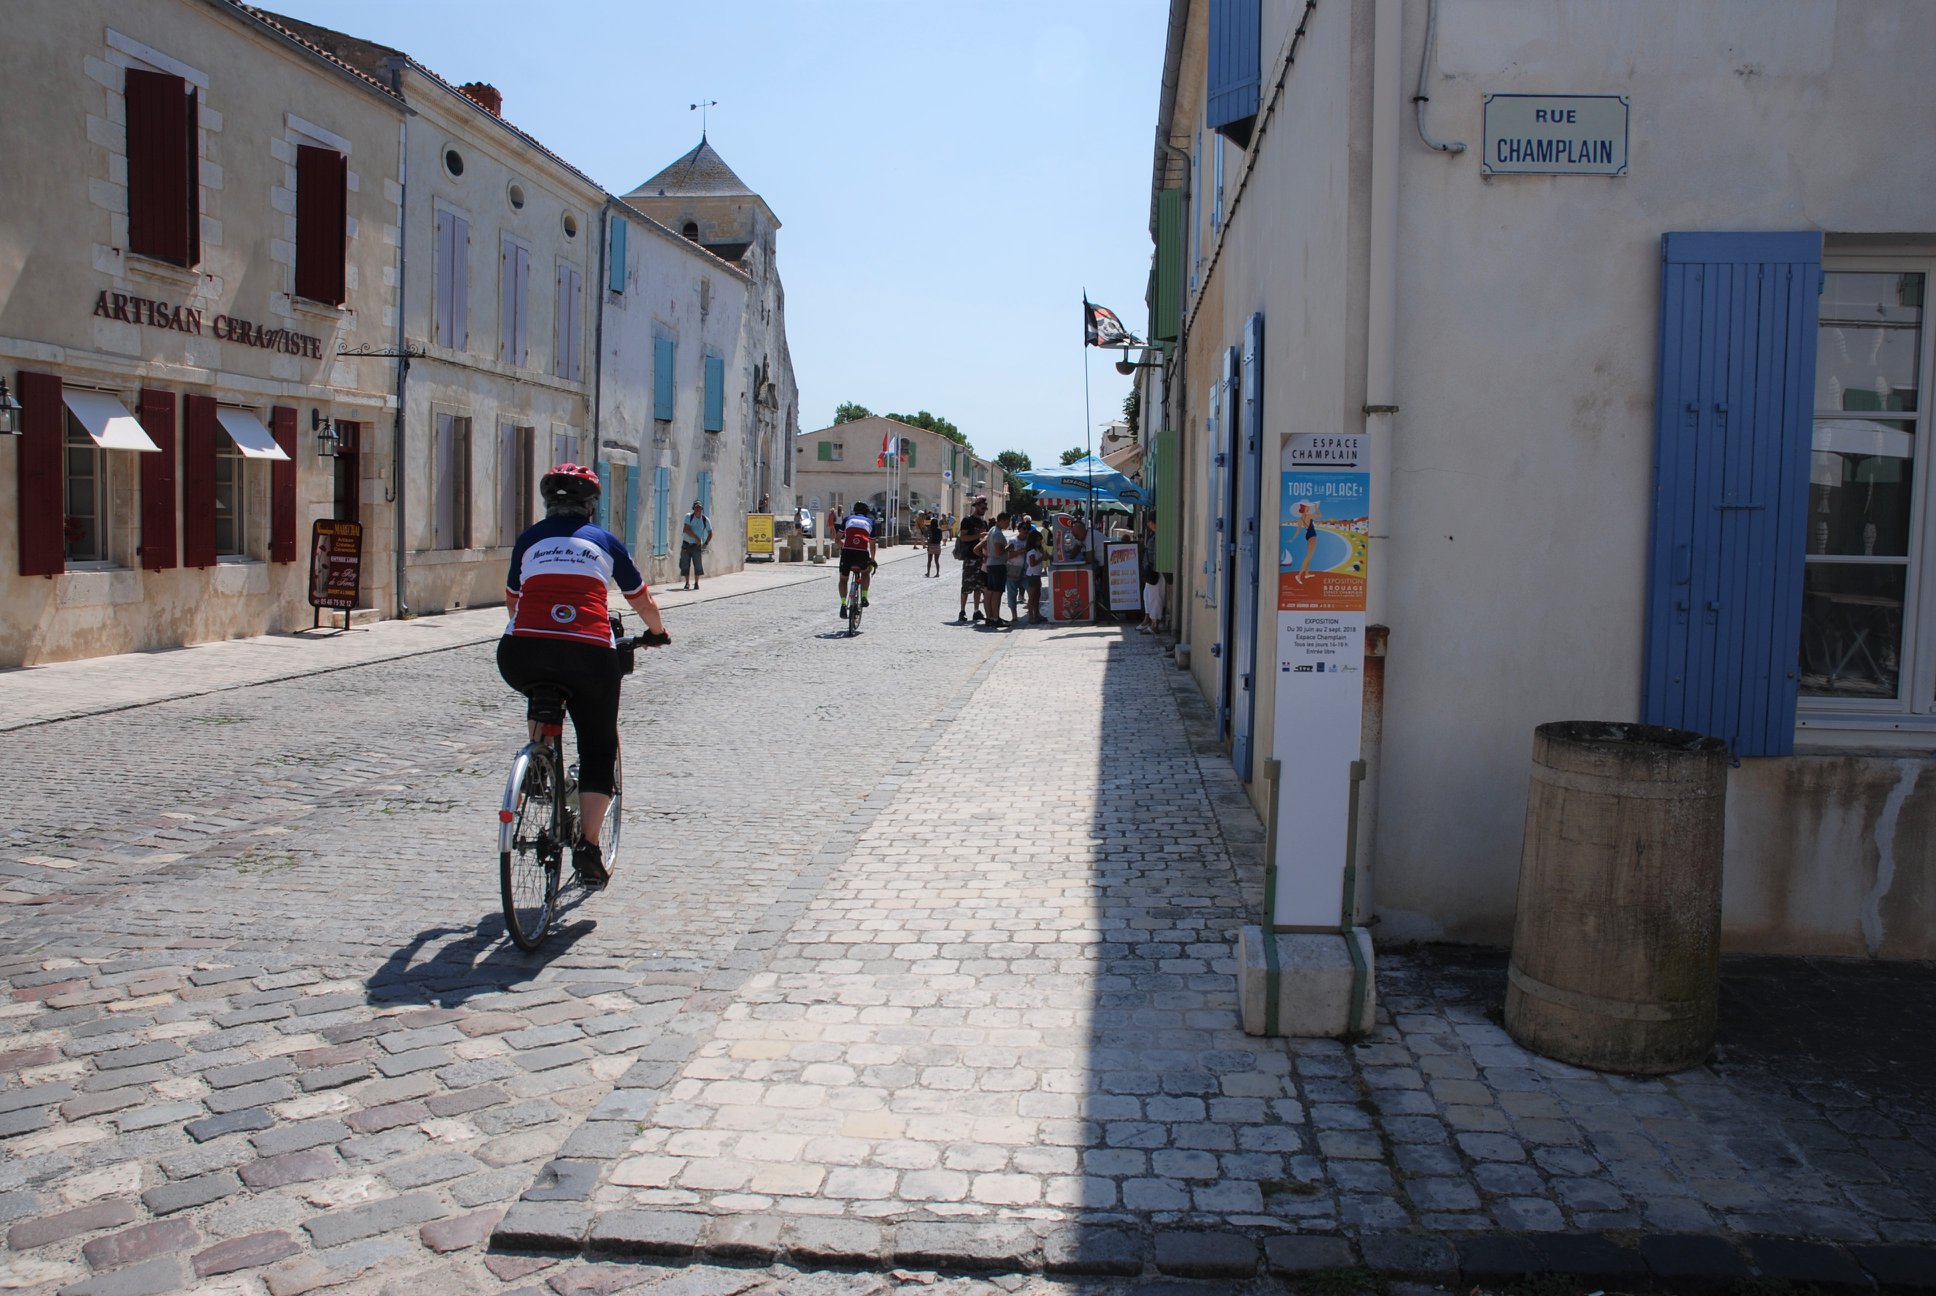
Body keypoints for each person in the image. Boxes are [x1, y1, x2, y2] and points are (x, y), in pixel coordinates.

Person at [498, 464, 668, 889]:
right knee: (597, 745)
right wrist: (657, 632)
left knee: (540, 686)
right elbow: (641, 599)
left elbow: (513, 599)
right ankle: (589, 848)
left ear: (547, 505)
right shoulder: (605, 542)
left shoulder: (529, 539)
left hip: (521, 651)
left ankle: (539, 758)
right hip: (588, 653)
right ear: (591, 506)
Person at [837, 500, 878, 617]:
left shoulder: (847, 519)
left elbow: (837, 539)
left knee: (843, 579)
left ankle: (843, 604)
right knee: (865, 572)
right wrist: (872, 559)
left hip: (847, 553)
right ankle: (864, 597)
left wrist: (843, 547)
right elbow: (872, 545)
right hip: (861, 553)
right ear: (866, 512)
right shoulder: (870, 522)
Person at [956, 496, 989, 623]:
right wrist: (978, 536)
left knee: (979, 586)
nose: (984, 510)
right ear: (976, 506)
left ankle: (976, 611)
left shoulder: (984, 523)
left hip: (981, 558)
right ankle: (962, 611)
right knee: (966, 585)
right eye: (983, 507)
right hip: (970, 557)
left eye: (985, 508)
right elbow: (963, 537)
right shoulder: (967, 521)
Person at [979, 511, 1012, 628]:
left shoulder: (992, 530)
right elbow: (999, 552)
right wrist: (1009, 547)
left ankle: (991, 617)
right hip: (998, 565)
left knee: (991, 592)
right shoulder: (997, 534)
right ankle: (996, 618)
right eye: (1007, 522)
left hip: (991, 564)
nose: (1008, 524)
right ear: (1001, 521)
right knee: (997, 593)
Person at [679, 500, 712, 590]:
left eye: (699, 508)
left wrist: (705, 543)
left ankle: (696, 583)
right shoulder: (688, 517)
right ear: (693, 509)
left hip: (696, 546)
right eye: (696, 508)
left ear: (702, 509)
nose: (698, 510)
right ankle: (687, 583)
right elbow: (686, 529)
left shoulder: (705, 520)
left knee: (697, 565)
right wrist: (696, 538)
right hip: (686, 544)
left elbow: (710, 533)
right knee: (685, 564)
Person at [1022, 521, 1047, 623]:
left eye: (1041, 540)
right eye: (1038, 540)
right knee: (1032, 596)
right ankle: (1031, 617)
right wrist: (1042, 558)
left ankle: (1037, 614)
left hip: (1037, 574)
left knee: (1037, 596)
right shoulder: (1032, 551)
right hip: (1032, 574)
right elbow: (1032, 563)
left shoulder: (1038, 549)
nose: (1040, 542)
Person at [924, 512, 943, 577]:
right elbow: (941, 538)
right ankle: (937, 573)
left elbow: (927, 537)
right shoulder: (939, 530)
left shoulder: (930, 529)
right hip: (937, 546)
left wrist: (928, 545)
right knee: (936, 561)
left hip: (931, 545)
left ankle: (928, 573)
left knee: (929, 560)